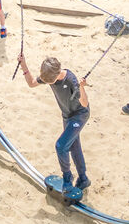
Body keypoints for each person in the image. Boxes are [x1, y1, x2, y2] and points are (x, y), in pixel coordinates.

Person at [18, 53, 90, 193]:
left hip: (79, 115)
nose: (49, 83)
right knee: (74, 146)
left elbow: (85, 103)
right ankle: (83, 179)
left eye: (50, 82)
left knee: (61, 146)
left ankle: (67, 179)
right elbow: (32, 83)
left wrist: (82, 87)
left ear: (57, 74)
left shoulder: (70, 80)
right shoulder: (48, 75)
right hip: (67, 116)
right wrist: (23, 65)